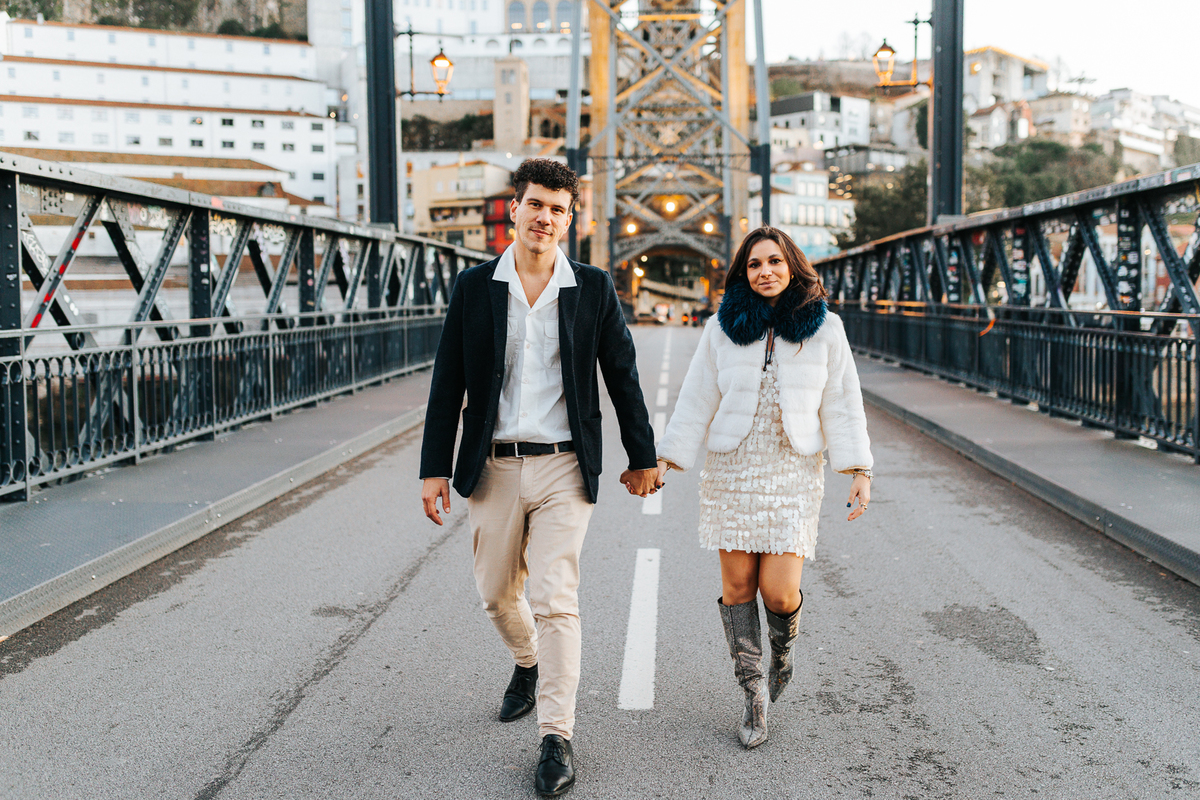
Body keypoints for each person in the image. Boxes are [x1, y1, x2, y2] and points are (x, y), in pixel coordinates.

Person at [419, 158, 660, 797]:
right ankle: (526, 664)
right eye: (534, 205)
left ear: (569, 218)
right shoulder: (474, 287)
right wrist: (432, 470)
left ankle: (557, 734)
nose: (544, 218)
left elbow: (623, 378)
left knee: (557, 597)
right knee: (498, 594)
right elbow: (447, 384)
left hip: (562, 464)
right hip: (492, 465)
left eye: (557, 209)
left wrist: (642, 456)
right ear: (515, 209)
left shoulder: (594, 288)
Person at [655, 226, 873, 749]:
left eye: (775, 261)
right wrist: (667, 458)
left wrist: (859, 470)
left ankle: (783, 650)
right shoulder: (722, 328)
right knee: (737, 589)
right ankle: (753, 691)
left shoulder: (825, 329)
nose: (766, 272)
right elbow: (695, 397)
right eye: (754, 265)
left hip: (792, 473)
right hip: (733, 470)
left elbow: (843, 401)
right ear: (742, 274)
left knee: (778, 592)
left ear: (793, 266)